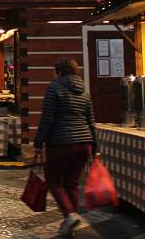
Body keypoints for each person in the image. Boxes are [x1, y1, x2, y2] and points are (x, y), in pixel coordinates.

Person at [34, 58, 97, 238]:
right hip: (84, 144)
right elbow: (91, 120)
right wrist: (95, 146)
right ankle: (70, 222)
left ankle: (70, 215)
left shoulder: (54, 88)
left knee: (54, 181)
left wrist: (38, 143)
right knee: (72, 183)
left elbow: (47, 119)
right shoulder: (84, 91)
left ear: (59, 71)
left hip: (60, 144)